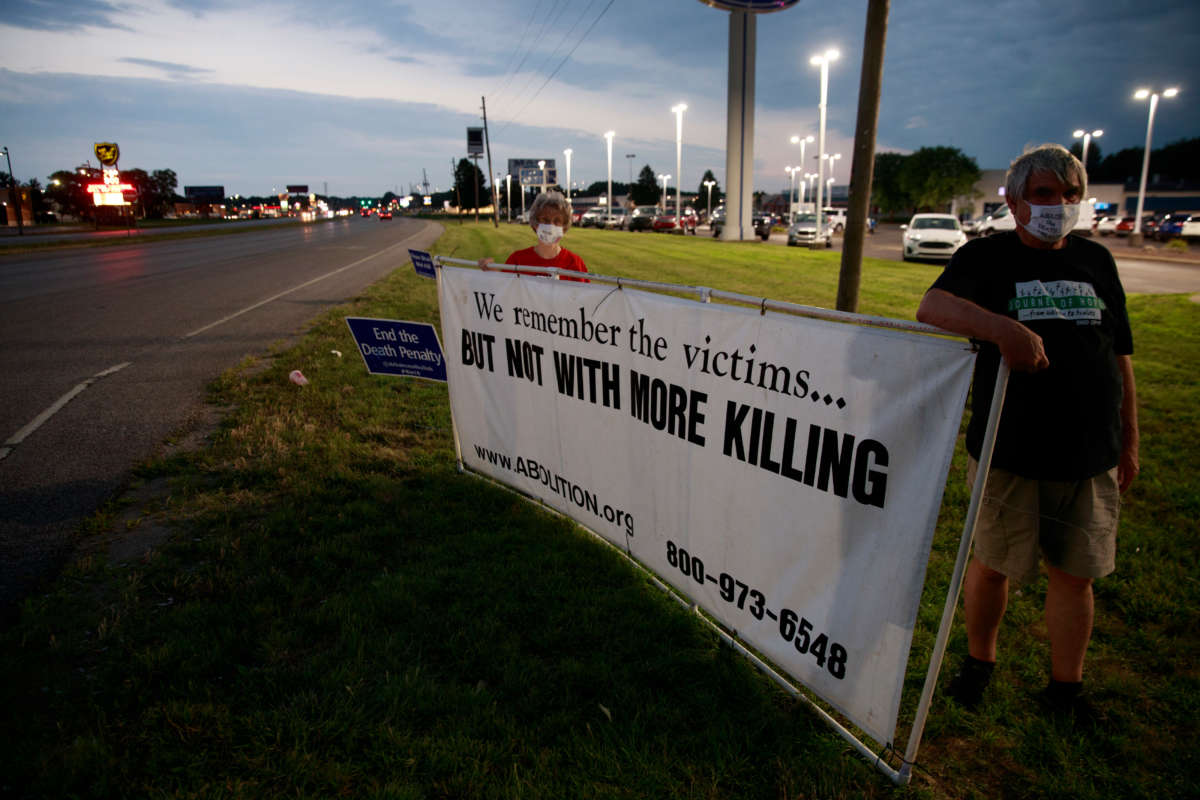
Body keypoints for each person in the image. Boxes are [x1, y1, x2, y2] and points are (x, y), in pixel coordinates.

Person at [915, 143, 1139, 722]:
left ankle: (1066, 690)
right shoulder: (987, 257)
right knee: (993, 564)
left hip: (1090, 453)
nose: (1058, 205)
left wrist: (1129, 439)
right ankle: (978, 663)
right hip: (1010, 448)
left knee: (1076, 574)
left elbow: (1120, 355)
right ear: (1014, 203)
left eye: (1069, 195)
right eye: (1044, 195)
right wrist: (1001, 330)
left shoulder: (1097, 261)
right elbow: (932, 306)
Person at [479, 190, 588, 282]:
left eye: (557, 221)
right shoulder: (517, 260)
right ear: (535, 224)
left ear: (564, 227)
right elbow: (504, 289)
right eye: (545, 220)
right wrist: (492, 271)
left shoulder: (575, 264)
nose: (550, 225)